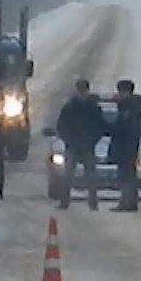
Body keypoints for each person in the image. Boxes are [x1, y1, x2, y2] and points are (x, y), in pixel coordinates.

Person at [55, 79, 105, 211]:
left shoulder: (92, 107)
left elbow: (100, 127)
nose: (81, 93)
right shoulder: (71, 107)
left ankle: (92, 203)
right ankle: (65, 202)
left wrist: (92, 141)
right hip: (75, 146)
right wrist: (69, 140)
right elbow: (61, 126)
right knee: (69, 176)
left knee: (90, 177)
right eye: (80, 90)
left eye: (83, 90)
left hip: (86, 147)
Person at [108, 79, 141, 211]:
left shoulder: (129, 108)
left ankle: (127, 203)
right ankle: (128, 202)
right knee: (128, 175)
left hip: (126, 147)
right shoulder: (131, 107)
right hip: (128, 146)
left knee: (127, 176)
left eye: (120, 92)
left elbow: (123, 128)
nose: (118, 95)